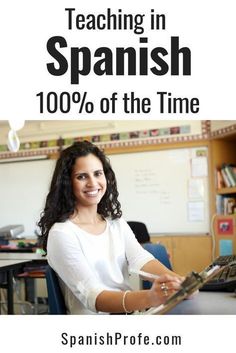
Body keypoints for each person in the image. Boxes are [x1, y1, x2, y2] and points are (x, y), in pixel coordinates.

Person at [38, 140, 183, 314]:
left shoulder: (116, 223)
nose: (93, 183)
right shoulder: (62, 234)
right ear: (67, 183)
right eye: (82, 176)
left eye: (98, 173)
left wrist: (180, 283)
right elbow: (94, 297)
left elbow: (141, 259)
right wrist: (150, 297)